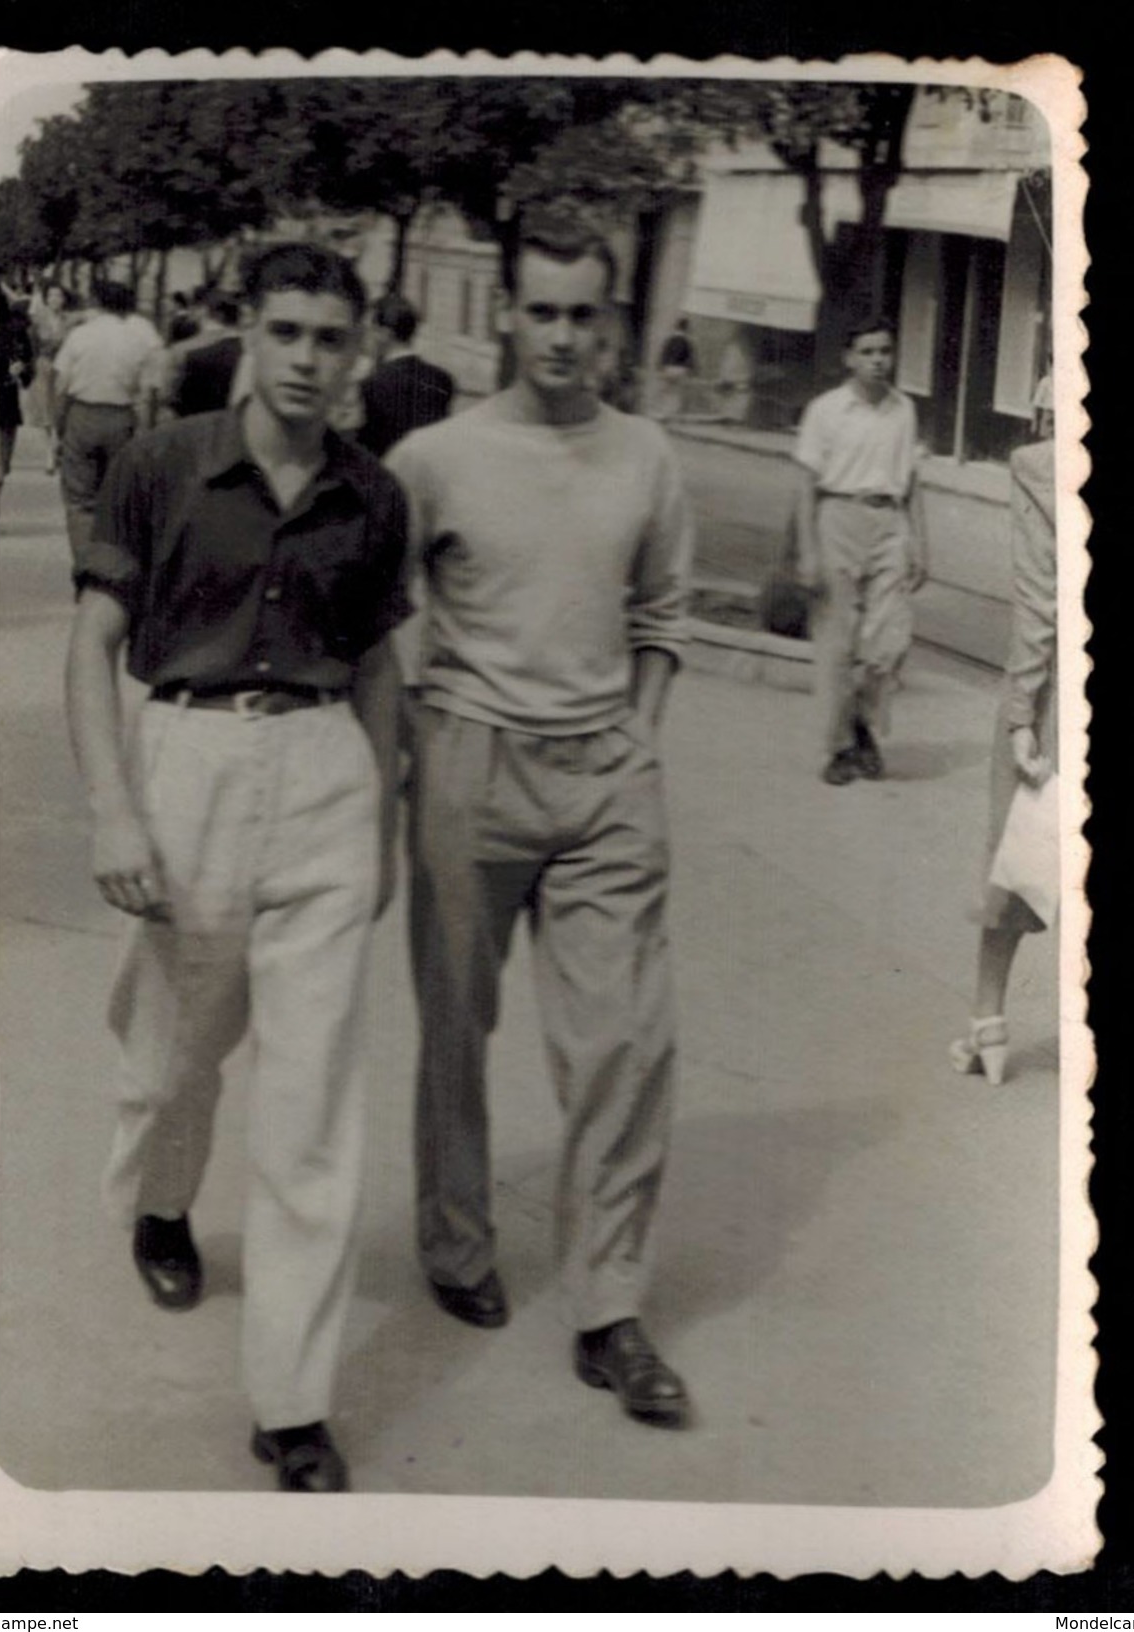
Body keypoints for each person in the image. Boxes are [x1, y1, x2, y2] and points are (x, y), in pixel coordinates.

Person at [64, 241, 409, 1493]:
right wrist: (113, 812)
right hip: (187, 762)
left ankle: (292, 1405)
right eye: (288, 333)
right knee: (171, 1060)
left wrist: (377, 820)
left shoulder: (374, 495)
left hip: (322, 772)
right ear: (248, 336)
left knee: (313, 1108)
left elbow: (376, 664)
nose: (310, 360)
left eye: (332, 338)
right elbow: (95, 644)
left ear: (356, 350)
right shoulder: (163, 465)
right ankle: (164, 1203)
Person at [387, 217, 694, 1428]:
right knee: (456, 1026)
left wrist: (641, 735)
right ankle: (457, 1245)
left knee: (625, 1039)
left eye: (586, 314)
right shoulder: (434, 458)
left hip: (606, 779)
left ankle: (609, 1309)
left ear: (610, 322)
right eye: (544, 311)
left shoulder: (647, 456)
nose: (565, 336)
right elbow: (378, 607)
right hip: (471, 771)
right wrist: (420, 735)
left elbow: (664, 614)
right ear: (507, 314)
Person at [950, 436, 1057, 1085]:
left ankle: (988, 1019)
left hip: (1060, 699)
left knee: (1020, 855)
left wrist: (1021, 715)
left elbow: (1039, 601)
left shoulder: (1041, 467)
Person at [794, 316, 929, 785]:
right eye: (868, 352)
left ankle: (863, 724)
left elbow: (912, 481)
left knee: (887, 642)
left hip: (889, 521)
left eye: (885, 351)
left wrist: (920, 542)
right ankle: (840, 747)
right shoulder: (826, 411)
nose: (878, 361)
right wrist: (806, 550)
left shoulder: (904, 410)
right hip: (838, 517)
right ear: (849, 358)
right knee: (836, 642)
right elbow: (804, 483)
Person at [53, 280, 165, 574]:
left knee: (79, 499)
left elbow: (61, 384)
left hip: (82, 413)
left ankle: (85, 566)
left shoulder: (80, 336)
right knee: (117, 495)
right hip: (121, 416)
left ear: (96, 302)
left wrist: (59, 425)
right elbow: (148, 392)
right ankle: (114, 566)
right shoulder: (137, 339)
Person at [357, 293, 454, 457]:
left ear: (384, 334)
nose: (364, 337)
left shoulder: (371, 386)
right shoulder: (442, 380)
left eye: (368, 330)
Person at [166, 289, 244, 419]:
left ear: (204, 311)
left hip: (190, 423)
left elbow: (168, 396)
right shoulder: (249, 350)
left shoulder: (183, 350)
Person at [0, 280, 34, 516]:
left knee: (1, 464)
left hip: (4, 399)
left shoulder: (13, 329)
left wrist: (21, 369)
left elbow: (28, 362)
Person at [26, 282, 74, 473]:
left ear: (64, 300)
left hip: (64, 367)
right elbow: (32, 344)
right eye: (52, 295)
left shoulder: (69, 321)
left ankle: (56, 447)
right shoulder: (38, 320)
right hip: (44, 365)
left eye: (59, 296)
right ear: (46, 299)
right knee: (45, 410)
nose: (55, 299)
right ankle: (50, 453)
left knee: (61, 409)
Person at [652, 318, 696, 421]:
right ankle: (671, 414)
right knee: (676, 394)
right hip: (681, 370)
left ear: (677, 327)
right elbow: (691, 358)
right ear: (686, 329)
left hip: (668, 368)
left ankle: (660, 412)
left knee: (664, 391)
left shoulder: (670, 340)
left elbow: (663, 353)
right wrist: (691, 370)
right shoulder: (687, 342)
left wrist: (660, 366)